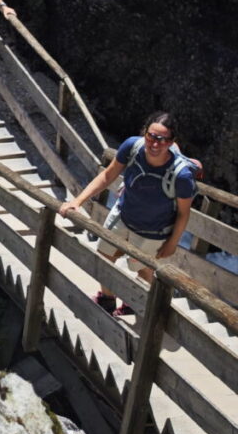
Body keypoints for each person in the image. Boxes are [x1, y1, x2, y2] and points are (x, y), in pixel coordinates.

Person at [58, 112, 197, 317]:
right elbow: (107, 175)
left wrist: (172, 243)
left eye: (162, 139)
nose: (155, 144)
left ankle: (153, 302)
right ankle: (107, 299)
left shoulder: (182, 176)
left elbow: (184, 214)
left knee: (141, 269)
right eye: (151, 136)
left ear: (171, 142)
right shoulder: (133, 146)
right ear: (144, 133)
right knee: (105, 255)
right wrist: (77, 201)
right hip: (123, 215)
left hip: (153, 230)